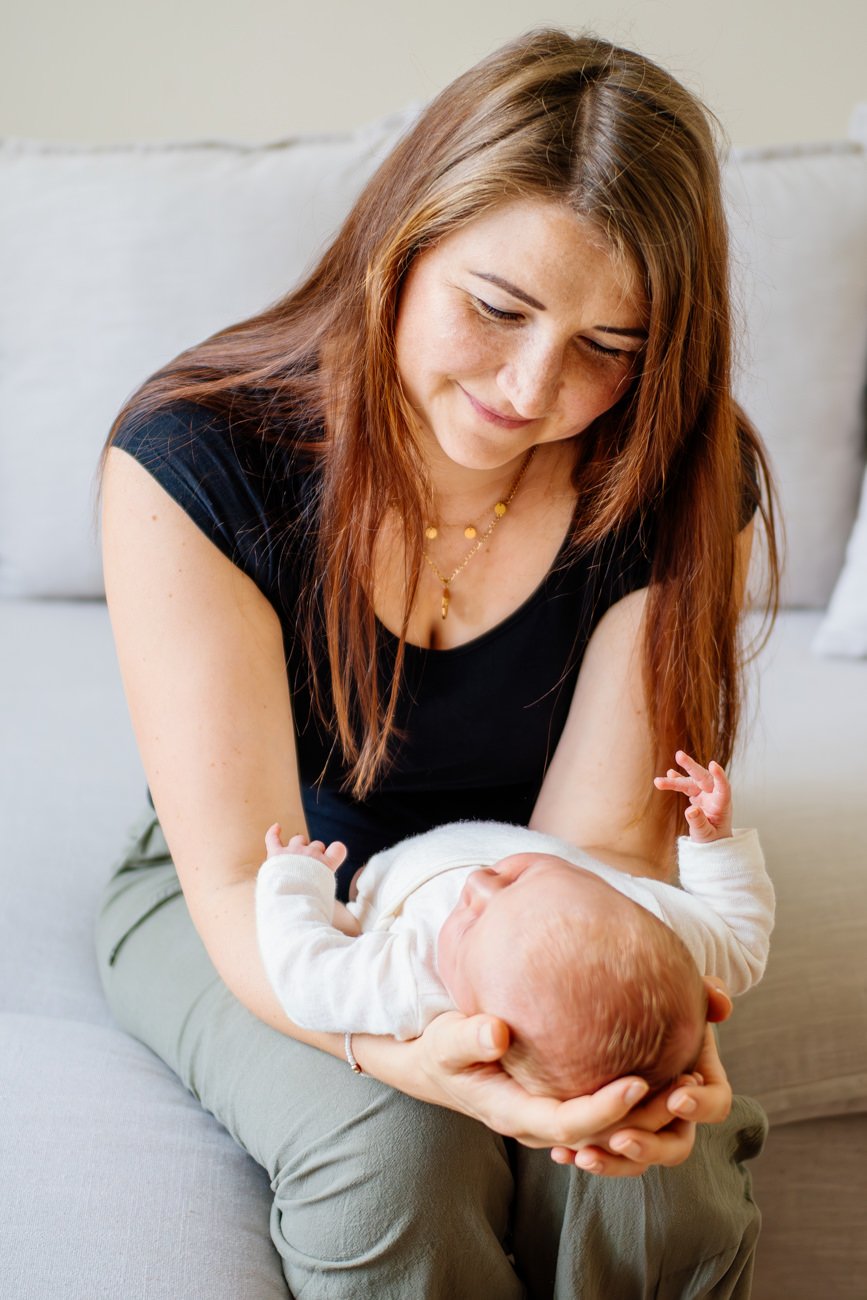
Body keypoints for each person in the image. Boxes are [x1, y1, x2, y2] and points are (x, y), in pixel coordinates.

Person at [95, 26, 779, 1300]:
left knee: (649, 1175)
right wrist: (396, 1051)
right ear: (404, 243)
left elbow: (601, 855)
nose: (533, 386)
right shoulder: (191, 458)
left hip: (548, 881)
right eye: (498, 308)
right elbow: (245, 881)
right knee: (396, 1153)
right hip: (269, 885)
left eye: (607, 349)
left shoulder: (679, 476)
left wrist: (603, 1068)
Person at [255, 753, 774, 1100]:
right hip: (492, 824)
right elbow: (741, 942)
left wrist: (296, 880)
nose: (479, 885)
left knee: (349, 925)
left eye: (470, 923)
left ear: (484, 1023)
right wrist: (714, 841)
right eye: (522, 880)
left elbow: (306, 976)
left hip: (375, 889)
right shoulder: (658, 922)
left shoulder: (416, 982)